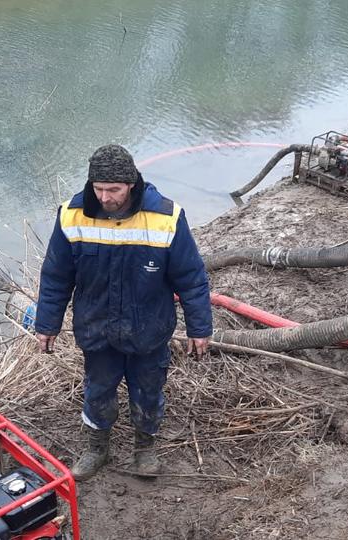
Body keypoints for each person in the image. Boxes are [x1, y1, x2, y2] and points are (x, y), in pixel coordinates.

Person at [34, 144, 213, 480]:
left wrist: (199, 328)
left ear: (131, 184)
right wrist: (47, 325)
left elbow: (191, 278)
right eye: (98, 189)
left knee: (148, 391)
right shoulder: (72, 215)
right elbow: (56, 276)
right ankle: (96, 448)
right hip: (96, 329)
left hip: (149, 329)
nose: (105, 197)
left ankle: (145, 447)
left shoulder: (166, 217)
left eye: (113, 190)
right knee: (98, 390)